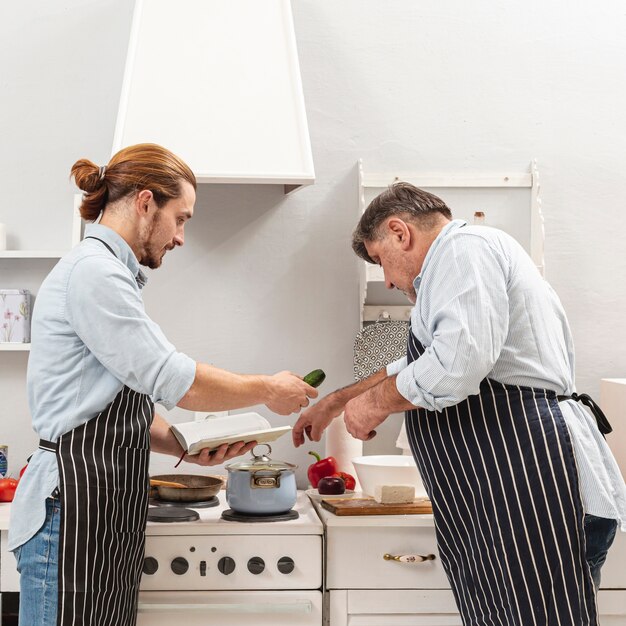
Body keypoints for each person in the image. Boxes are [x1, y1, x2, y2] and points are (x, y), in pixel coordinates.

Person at [9, 143, 318, 626]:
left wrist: (182, 444)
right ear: (146, 202)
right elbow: (174, 378)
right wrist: (267, 388)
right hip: (71, 509)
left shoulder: (111, 275)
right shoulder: (95, 274)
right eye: (182, 218)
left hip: (99, 509)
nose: (181, 236)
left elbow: (117, 398)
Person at [293, 182, 626, 626]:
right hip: (505, 490)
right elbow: (417, 363)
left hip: (529, 479)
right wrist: (339, 400)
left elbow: (455, 366)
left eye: (380, 261)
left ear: (399, 232)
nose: (388, 280)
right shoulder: (456, 265)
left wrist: (375, 405)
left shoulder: (463, 249)